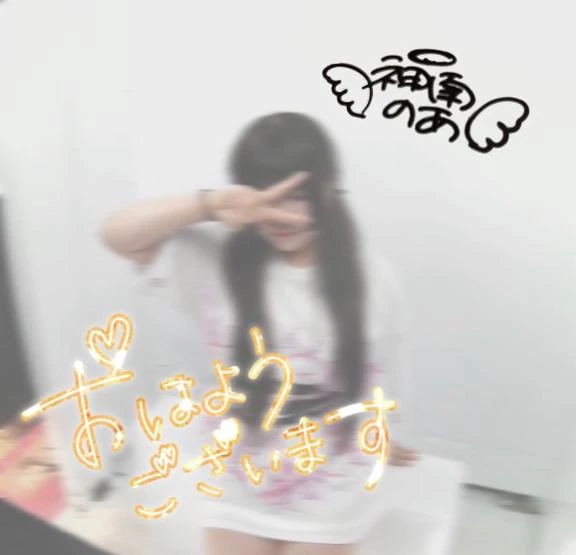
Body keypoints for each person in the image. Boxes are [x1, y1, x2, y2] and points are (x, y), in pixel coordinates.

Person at [101, 112, 418, 555]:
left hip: (331, 482)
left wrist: (384, 430)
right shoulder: (215, 260)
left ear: (331, 188)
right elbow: (117, 235)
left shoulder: (371, 278)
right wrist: (210, 205)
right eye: (264, 195)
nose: (280, 214)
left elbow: (384, 367)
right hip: (238, 478)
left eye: (297, 196)